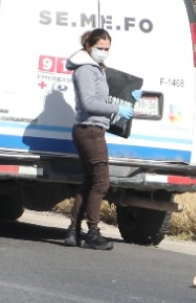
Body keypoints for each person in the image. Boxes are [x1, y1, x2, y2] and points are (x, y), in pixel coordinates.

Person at [59, 28, 141, 250]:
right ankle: (92, 233)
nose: (104, 52)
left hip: (92, 129)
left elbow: (104, 95)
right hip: (90, 130)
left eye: (107, 49)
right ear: (88, 47)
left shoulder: (96, 69)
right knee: (101, 182)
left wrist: (130, 97)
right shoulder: (86, 70)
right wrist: (119, 107)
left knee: (89, 183)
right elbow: (89, 103)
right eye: (100, 48)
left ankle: (73, 232)